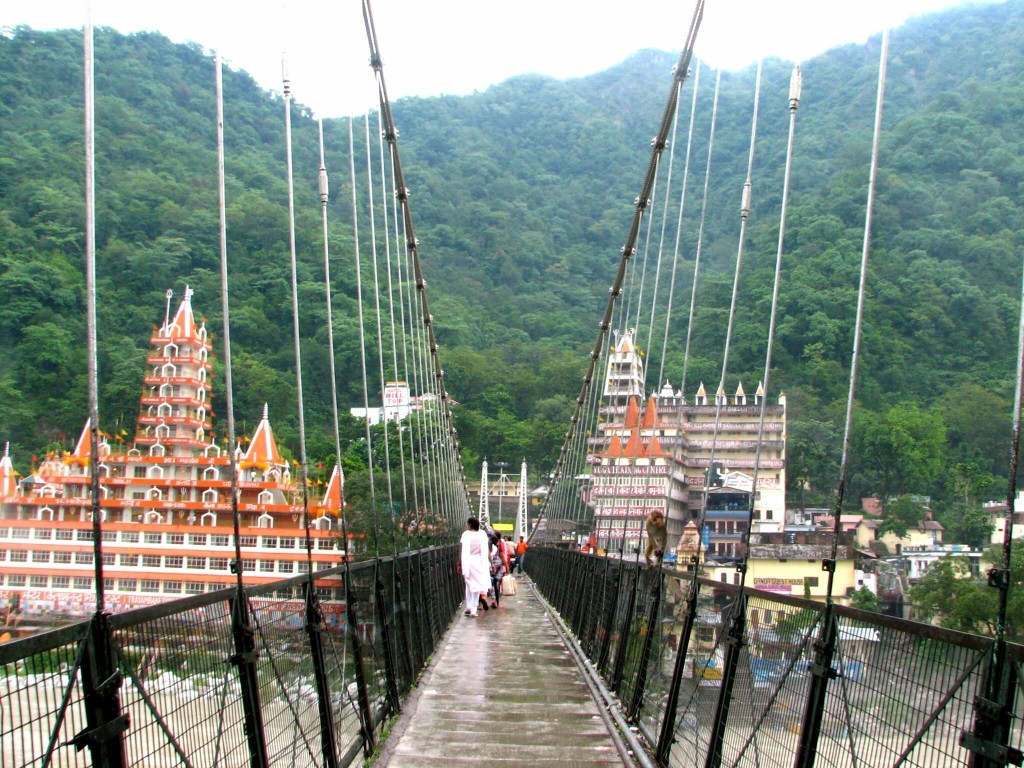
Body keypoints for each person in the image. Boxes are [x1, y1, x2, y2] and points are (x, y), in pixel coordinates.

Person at [459, 517, 490, 617]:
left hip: (468, 562)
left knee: (469, 584)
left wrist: (459, 564)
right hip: (479, 562)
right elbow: (486, 550)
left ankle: (469, 606)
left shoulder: (466, 534)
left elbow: (461, 550)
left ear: (470, 525)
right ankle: (473, 609)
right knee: (477, 585)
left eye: (468, 524)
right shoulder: (482, 534)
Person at [488, 531, 507, 609]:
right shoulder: (499, 545)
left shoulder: (488, 546)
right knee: (497, 584)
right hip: (498, 567)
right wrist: (507, 567)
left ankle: (493, 600)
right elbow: (502, 556)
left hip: (491, 567)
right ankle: (495, 600)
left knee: (492, 583)